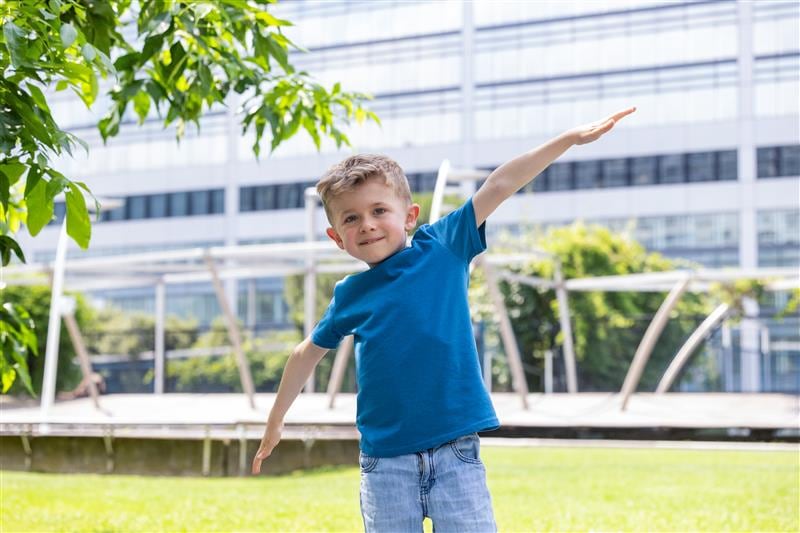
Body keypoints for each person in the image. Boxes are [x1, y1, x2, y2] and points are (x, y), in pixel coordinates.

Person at [251, 107, 636, 532]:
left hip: (456, 454)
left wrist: (567, 139)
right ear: (337, 238)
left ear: (410, 216)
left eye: (380, 210)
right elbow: (306, 354)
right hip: (385, 464)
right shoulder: (350, 295)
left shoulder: (444, 247)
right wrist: (275, 419)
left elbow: (501, 183)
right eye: (351, 218)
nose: (368, 225)